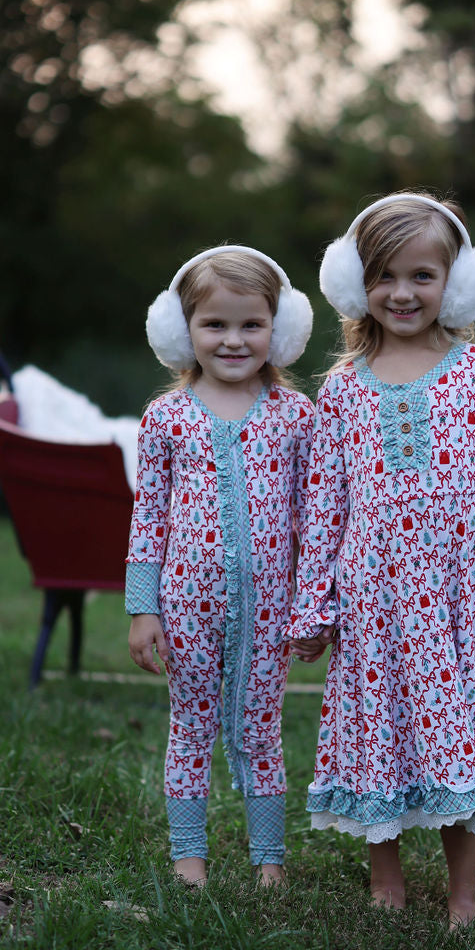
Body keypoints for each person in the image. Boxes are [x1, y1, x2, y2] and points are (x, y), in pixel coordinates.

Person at [289, 193, 475, 927]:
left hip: (459, 596)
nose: (403, 292)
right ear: (357, 285)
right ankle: (385, 880)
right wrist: (314, 603)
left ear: (457, 281)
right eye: (384, 276)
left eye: (421, 275)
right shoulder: (343, 388)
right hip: (371, 597)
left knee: (460, 733)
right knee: (376, 731)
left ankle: (464, 889)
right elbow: (324, 505)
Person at [126, 246, 316, 887]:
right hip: (186, 607)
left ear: (278, 330)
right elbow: (147, 520)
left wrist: (314, 604)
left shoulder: (297, 417)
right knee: (191, 726)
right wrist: (142, 608)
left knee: (262, 730)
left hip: (272, 610)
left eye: (251, 325)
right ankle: (188, 858)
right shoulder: (167, 419)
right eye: (214, 325)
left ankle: (269, 862)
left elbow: (315, 519)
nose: (233, 340)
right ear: (184, 332)